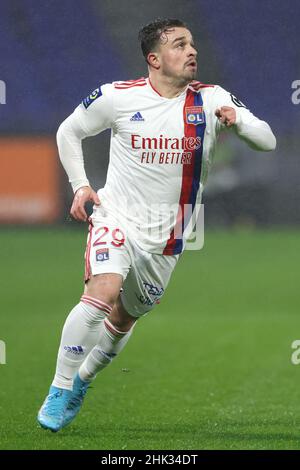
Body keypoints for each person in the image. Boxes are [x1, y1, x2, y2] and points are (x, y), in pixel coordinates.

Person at [37, 18, 276, 432]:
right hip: (117, 216)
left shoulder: (211, 99)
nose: (192, 51)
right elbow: (68, 131)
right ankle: (59, 388)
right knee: (102, 291)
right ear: (154, 58)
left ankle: (82, 381)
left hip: (169, 234)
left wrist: (239, 122)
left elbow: (267, 139)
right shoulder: (117, 97)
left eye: (192, 44)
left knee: (124, 318)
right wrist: (81, 186)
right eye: (179, 45)